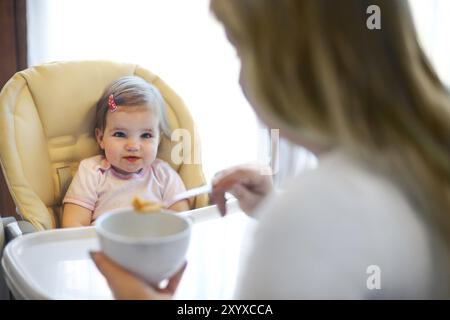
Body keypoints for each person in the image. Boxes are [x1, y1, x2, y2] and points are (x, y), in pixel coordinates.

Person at [91, 0, 450, 299]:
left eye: (240, 51)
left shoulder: (325, 206)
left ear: (289, 63)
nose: (241, 79)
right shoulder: (419, 162)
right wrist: (273, 205)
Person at [62, 76, 189, 228]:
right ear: (101, 138)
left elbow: (181, 222)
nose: (133, 146)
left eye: (146, 135)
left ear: (159, 140)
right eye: (120, 134)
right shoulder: (92, 172)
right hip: (105, 247)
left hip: (153, 246)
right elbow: (73, 225)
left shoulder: (164, 175)